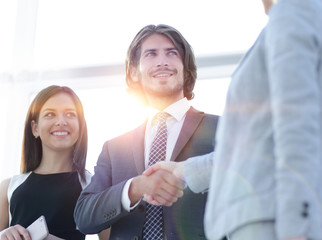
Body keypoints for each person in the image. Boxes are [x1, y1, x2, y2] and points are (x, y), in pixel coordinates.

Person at [144, 0, 322, 239]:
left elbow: (297, 129)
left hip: (272, 222)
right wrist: (185, 170)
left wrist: (296, 225)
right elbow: (260, 153)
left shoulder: (292, 12)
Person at [74, 24, 220, 240]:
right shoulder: (114, 148)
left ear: (185, 68)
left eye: (172, 53)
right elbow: (84, 217)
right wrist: (135, 188)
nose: (162, 61)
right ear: (134, 72)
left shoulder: (221, 129)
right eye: (151, 54)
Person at [0, 85, 110, 240]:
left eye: (70, 114)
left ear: (80, 127)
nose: (61, 121)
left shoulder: (93, 186)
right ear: (35, 128)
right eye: (50, 114)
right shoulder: (8, 188)